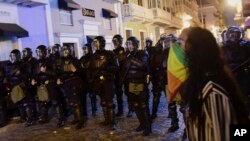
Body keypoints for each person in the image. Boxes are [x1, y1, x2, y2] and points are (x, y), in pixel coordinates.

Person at [180, 27, 250, 141]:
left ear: (195, 47)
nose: (180, 47)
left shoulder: (213, 92)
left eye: (182, 41)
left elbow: (224, 135)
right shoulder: (200, 81)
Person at [121, 36, 151, 136]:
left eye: (130, 44)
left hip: (140, 84)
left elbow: (143, 65)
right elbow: (124, 71)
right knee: (136, 105)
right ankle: (142, 124)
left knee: (143, 106)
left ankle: (148, 127)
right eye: (127, 44)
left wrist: (131, 58)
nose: (129, 46)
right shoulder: (127, 55)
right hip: (131, 84)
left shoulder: (142, 53)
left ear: (135, 44)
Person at [88, 36, 118, 130]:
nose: (95, 45)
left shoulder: (110, 54)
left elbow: (116, 68)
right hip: (98, 82)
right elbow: (91, 69)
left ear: (101, 43)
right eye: (94, 43)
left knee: (109, 103)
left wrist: (105, 69)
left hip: (108, 81)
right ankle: (107, 120)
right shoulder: (93, 56)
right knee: (103, 102)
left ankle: (112, 122)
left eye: (97, 42)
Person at [57, 45, 85, 129]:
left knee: (76, 102)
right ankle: (76, 118)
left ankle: (80, 121)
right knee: (71, 103)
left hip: (74, 82)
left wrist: (76, 70)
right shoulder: (60, 61)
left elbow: (83, 72)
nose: (65, 52)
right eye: (63, 50)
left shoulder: (75, 60)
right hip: (66, 83)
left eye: (66, 50)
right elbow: (59, 72)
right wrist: (59, 78)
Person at [5, 49, 34, 126]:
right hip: (14, 86)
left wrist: (20, 73)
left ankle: (30, 119)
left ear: (17, 56)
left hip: (22, 86)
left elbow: (28, 75)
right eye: (11, 56)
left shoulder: (23, 64)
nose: (12, 58)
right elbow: (7, 77)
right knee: (19, 104)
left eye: (14, 56)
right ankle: (23, 118)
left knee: (26, 104)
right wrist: (14, 73)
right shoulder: (9, 65)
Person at [221, 26, 250, 102]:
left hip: (244, 73)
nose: (233, 36)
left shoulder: (246, 46)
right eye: (231, 34)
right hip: (230, 74)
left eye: (236, 34)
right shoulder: (224, 47)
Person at [80, 43, 97, 117]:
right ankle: (84, 112)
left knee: (92, 95)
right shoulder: (82, 58)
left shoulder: (93, 57)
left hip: (91, 79)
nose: (84, 50)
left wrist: (92, 78)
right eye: (83, 49)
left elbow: (94, 69)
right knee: (83, 96)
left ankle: (94, 110)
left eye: (85, 48)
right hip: (83, 79)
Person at [112, 34, 126, 117]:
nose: (115, 43)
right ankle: (120, 110)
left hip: (123, 73)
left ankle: (131, 109)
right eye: (114, 41)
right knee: (118, 93)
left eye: (116, 41)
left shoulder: (122, 50)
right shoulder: (114, 51)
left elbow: (121, 61)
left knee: (128, 92)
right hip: (117, 75)